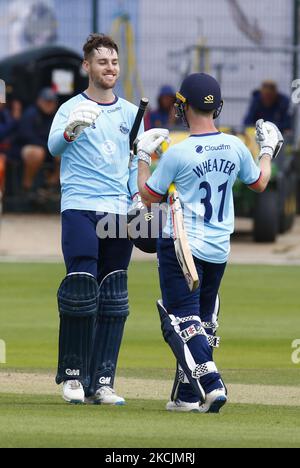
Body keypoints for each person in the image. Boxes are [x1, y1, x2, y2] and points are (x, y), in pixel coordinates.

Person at [136, 73, 283, 413]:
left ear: (183, 106)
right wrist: (265, 150)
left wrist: (142, 156)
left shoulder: (177, 152)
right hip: (219, 249)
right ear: (217, 107)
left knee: (181, 319)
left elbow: (147, 195)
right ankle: (186, 397)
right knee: (202, 319)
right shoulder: (234, 146)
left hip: (181, 245)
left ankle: (211, 383)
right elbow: (260, 182)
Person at [48, 34, 144, 405]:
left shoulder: (132, 113)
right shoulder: (70, 107)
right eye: (102, 62)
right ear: (86, 66)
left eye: (114, 62)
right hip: (79, 206)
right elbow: (53, 146)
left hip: (119, 210)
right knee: (80, 286)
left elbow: (136, 162)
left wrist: (138, 197)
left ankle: (102, 381)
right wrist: (72, 130)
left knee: (114, 295)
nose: (110, 69)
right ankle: (72, 377)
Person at [14, 88, 59, 193]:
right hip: (27, 148)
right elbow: (25, 136)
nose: (49, 104)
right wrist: (47, 146)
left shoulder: (58, 116)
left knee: (64, 152)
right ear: (39, 101)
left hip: (49, 149)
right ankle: (27, 186)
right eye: (46, 101)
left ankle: (52, 184)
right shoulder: (30, 113)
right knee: (36, 152)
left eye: (51, 101)